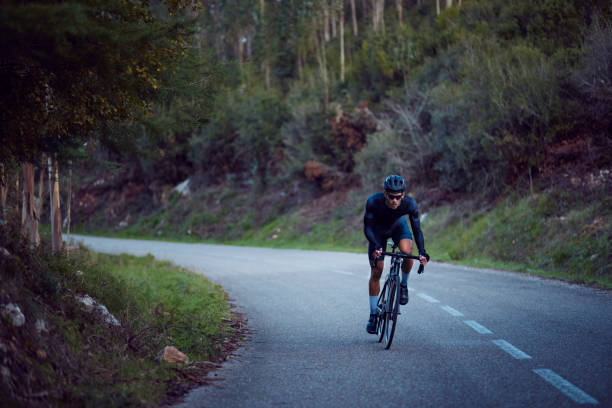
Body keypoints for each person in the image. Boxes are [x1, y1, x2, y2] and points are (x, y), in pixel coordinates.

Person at [363, 174, 429, 334]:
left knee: (407, 252)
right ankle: (373, 316)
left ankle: (403, 285)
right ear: (385, 193)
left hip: (398, 227)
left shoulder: (410, 204)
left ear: (403, 195)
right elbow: (367, 228)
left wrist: (422, 252)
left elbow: (416, 230)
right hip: (377, 232)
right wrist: (376, 245)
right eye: (391, 196)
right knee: (377, 271)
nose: (394, 200)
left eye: (398, 197)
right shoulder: (373, 201)